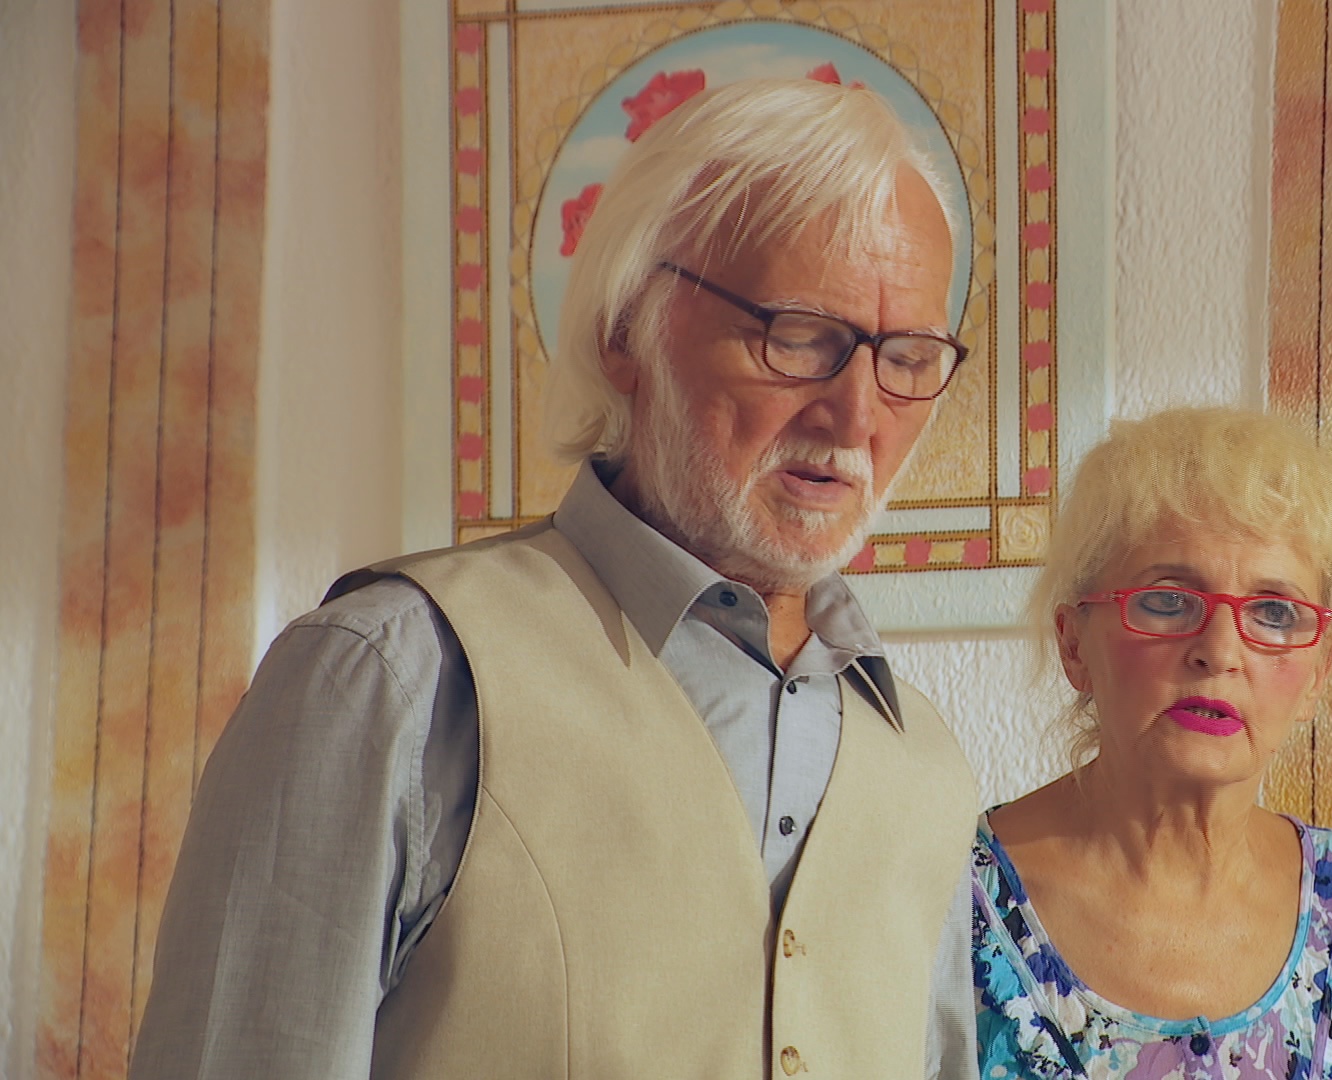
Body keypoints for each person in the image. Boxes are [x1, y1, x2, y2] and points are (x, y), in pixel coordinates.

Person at [132, 79, 981, 1079]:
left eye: (908, 357)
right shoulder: (390, 677)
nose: (857, 415)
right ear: (626, 328)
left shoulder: (927, 766)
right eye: (799, 336)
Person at [972, 407, 1332, 1079]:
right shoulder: (950, 904)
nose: (1220, 651)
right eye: (1168, 600)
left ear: (1318, 675)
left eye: (1275, 612)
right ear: (1074, 644)